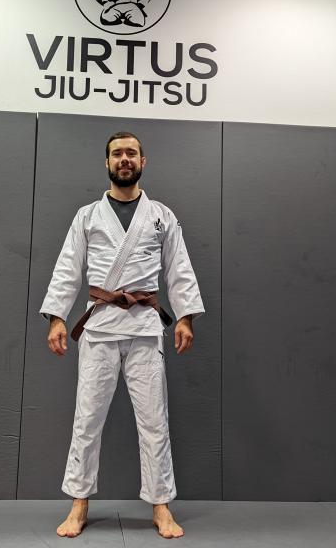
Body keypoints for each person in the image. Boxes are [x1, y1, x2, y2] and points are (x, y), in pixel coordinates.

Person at [39, 131, 205, 539]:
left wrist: (185, 317)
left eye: (131, 153)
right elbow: (68, 267)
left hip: (145, 328)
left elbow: (178, 268)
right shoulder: (87, 216)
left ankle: (161, 505)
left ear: (143, 161)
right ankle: (78, 503)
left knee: (155, 422)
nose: (124, 159)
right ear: (107, 162)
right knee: (87, 419)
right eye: (117, 153)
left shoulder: (161, 215)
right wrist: (56, 317)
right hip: (99, 328)